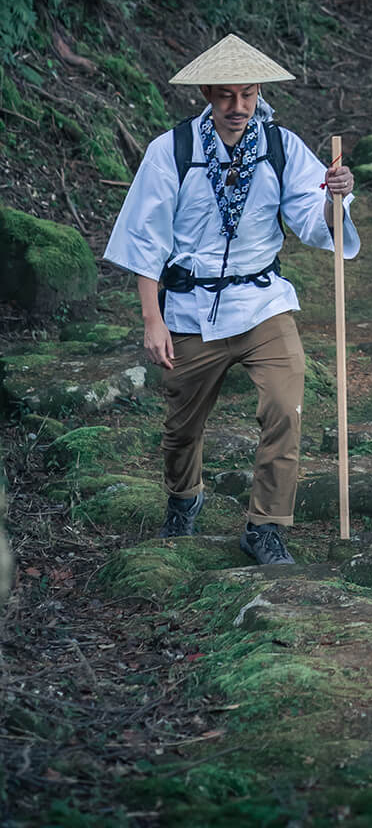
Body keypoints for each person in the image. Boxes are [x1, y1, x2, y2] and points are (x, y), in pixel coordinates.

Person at [103, 33, 359, 566]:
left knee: (285, 408)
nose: (237, 107)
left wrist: (336, 196)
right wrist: (153, 319)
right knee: (181, 427)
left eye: (247, 95)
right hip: (190, 307)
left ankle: (265, 526)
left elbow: (317, 225)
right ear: (207, 94)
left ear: (258, 92)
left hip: (262, 300)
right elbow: (144, 241)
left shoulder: (281, 146)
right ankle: (183, 496)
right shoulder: (171, 151)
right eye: (225, 96)